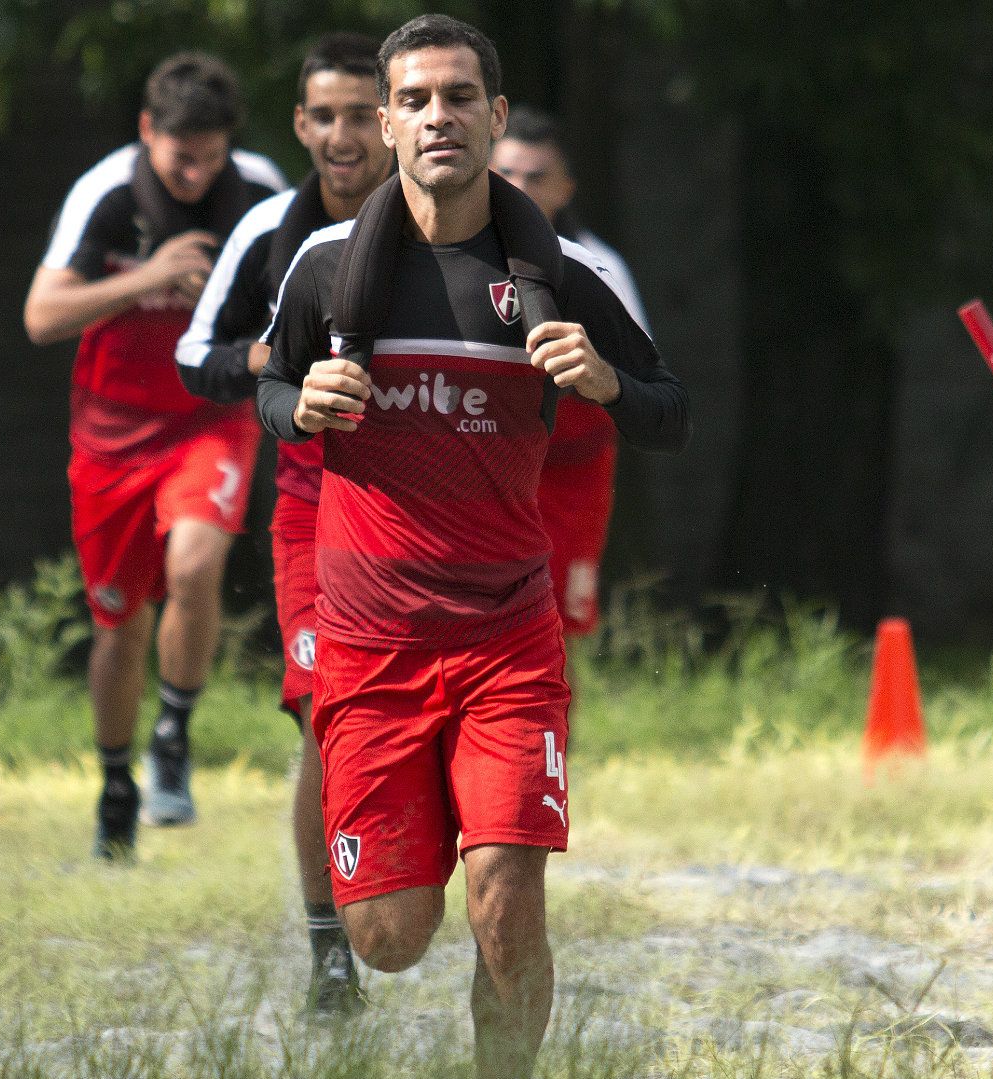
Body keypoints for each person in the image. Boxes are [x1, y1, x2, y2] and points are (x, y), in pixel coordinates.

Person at [255, 15, 688, 1077]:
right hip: (372, 646)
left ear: (495, 118)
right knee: (390, 936)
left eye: (458, 97)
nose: (436, 117)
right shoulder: (322, 269)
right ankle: (424, 818)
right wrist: (296, 402)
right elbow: (269, 388)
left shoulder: (563, 277)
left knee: (506, 889)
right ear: (385, 123)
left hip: (507, 638)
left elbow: (670, 410)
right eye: (415, 99)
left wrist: (606, 383)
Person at [174, 31, 392, 1016]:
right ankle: (328, 951)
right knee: (322, 714)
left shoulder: (446, 220)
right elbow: (197, 354)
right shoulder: (271, 230)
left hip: (440, 499)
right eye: (325, 116)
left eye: (361, 114)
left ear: (391, 120)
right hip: (314, 504)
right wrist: (276, 363)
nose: (343, 135)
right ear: (301, 125)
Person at [23, 52, 286, 859]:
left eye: (210, 155)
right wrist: (146, 280)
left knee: (197, 564)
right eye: (182, 156)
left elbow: (299, 291)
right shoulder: (105, 192)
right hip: (110, 434)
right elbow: (41, 315)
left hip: (210, 414)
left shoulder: (258, 190)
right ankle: (115, 783)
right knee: (118, 625)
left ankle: (171, 736)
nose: (196, 173)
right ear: (147, 131)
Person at [494, 106, 651, 648]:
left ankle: (554, 737)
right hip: (487, 464)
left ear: (565, 189)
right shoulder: (455, 260)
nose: (519, 188)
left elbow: (643, 384)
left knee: (554, 632)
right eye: (507, 174)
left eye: (536, 177)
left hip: (571, 471)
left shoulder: (597, 267)